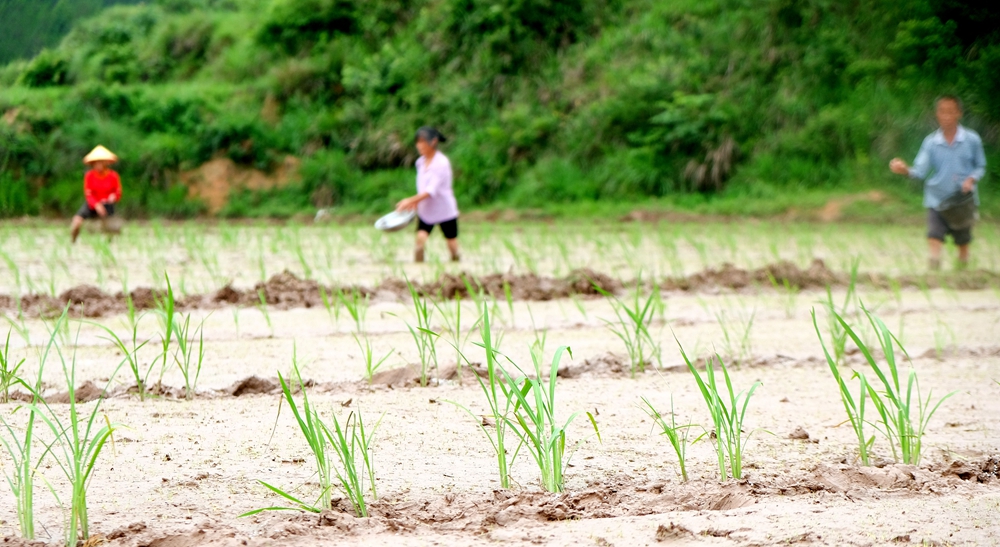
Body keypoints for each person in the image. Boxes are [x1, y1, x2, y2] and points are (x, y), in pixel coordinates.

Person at [890, 95, 986, 270]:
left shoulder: (971, 140)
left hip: (962, 200)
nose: (947, 116)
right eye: (943, 111)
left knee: (963, 239)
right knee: (934, 235)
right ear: (937, 114)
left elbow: (980, 166)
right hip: (937, 198)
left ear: (959, 113)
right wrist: (905, 170)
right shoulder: (931, 142)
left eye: (951, 111)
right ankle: (934, 271)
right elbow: (919, 171)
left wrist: (971, 179)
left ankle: (963, 273)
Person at [396, 127, 460, 263]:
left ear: (433, 142)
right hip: (427, 210)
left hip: (444, 209)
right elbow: (422, 189)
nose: (419, 145)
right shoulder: (420, 162)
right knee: (420, 240)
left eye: (422, 142)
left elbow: (431, 191)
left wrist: (409, 200)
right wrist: (416, 202)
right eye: (417, 142)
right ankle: (419, 268)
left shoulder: (441, 163)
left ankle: (456, 263)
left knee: (451, 243)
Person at [71, 145, 122, 244]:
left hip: (107, 204)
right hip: (92, 203)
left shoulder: (113, 176)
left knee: (110, 229)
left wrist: (113, 197)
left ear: (105, 163)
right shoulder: (89, 176)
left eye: (100, 163)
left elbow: (118, 192)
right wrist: (97, 205)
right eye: (95, 163)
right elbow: (88, 194)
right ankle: (73, 241)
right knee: (77, 221)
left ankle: (109, 245)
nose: (97, 165)